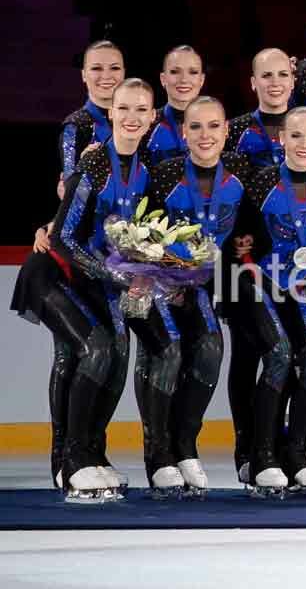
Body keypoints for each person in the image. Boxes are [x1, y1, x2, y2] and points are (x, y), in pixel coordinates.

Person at [24, 78, 155, 501]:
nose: (132, 118)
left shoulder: (145, 170)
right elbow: (62, 238)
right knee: (95, 347)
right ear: (111, 114)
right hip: (52, 274)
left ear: (153, 118)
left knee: (118, 350)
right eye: (125, 109)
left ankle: (93, 455)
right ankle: (71, 459)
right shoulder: (93, 165)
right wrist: (114, 275)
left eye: (141, 110)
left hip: (92, 278)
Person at [229, 108, 306, 496]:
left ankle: (297, 454)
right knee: (279, 355)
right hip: (263, 285)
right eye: (296, 136)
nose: (305, 145)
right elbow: (241, 242)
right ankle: (262, 455)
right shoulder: (261, 183)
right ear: (281, 138)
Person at [132, 97, 245, 498]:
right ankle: (158, 454)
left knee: (211, 348)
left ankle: (184, 444)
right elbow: (134, 231)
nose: (205, 136)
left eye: (214, 126)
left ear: (226, 130)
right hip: (153, 284)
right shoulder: (161, 176)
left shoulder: (240, 174)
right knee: (167, 352)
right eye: (196, 127)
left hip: (198, 287)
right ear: (183, 132)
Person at [58, 41, 125, 186]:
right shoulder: (75, 127)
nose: (106, 76)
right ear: (83, 75)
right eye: (96, 68)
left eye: (114, 68)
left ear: (124, 73)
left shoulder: (139, 121)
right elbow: (70, 191)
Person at [228, 49, 294, 168]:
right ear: (253, 82)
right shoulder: (234, 129)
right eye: (266, 75)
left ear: (292, 81)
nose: (275, 82)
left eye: (283, 74)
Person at [141, 46, 202, 169]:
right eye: (175, 72)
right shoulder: (146, 124)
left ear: (201, 80)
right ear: (163, 79)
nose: (184, 79)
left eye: (193, 72)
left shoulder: (216, 126)